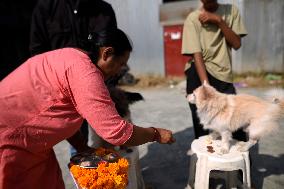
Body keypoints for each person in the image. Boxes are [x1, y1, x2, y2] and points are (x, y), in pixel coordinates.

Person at [0, 28, 175, 189]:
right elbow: (116, 132)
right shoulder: (85, 72)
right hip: (10, 139)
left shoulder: (72, 56)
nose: (120, 71)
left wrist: (82, 147)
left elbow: (61, 113)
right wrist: (155, 134)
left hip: (34, 144)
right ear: (107, 53)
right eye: (121, 64)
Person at [29, 0, 130, 155]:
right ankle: (84, 171)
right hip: (63, 94)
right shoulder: (46, 8)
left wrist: (108, 90)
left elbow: (113, 49)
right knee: (79, 145)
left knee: (108, 141)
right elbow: (37, 52)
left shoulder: (103, 10)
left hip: (98, 88)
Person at [182, 0, 248, 140]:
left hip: (222, 73)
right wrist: (206, 87)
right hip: (198, 73)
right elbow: (196, 54)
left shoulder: (231, 11)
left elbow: (236, 43)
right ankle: (203, 160)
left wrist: (219, 21)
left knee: (234, 122)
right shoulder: (193, 18)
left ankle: (241, 158)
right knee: (203, 125)